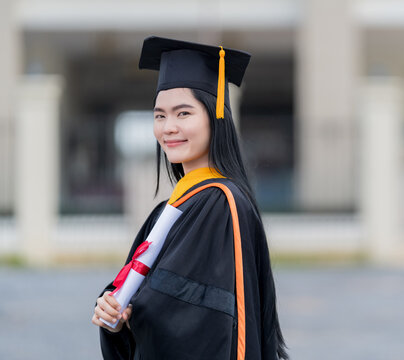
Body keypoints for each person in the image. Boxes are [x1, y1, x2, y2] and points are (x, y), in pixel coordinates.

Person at [91, 36, 288, 360]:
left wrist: (131, 311)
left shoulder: (219, 203)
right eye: (159, 116)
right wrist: (114, 311)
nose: (169, 127)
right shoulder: (174, 207)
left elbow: (192, 316)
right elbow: (148, 294)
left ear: (214, 116)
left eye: (183, 114)